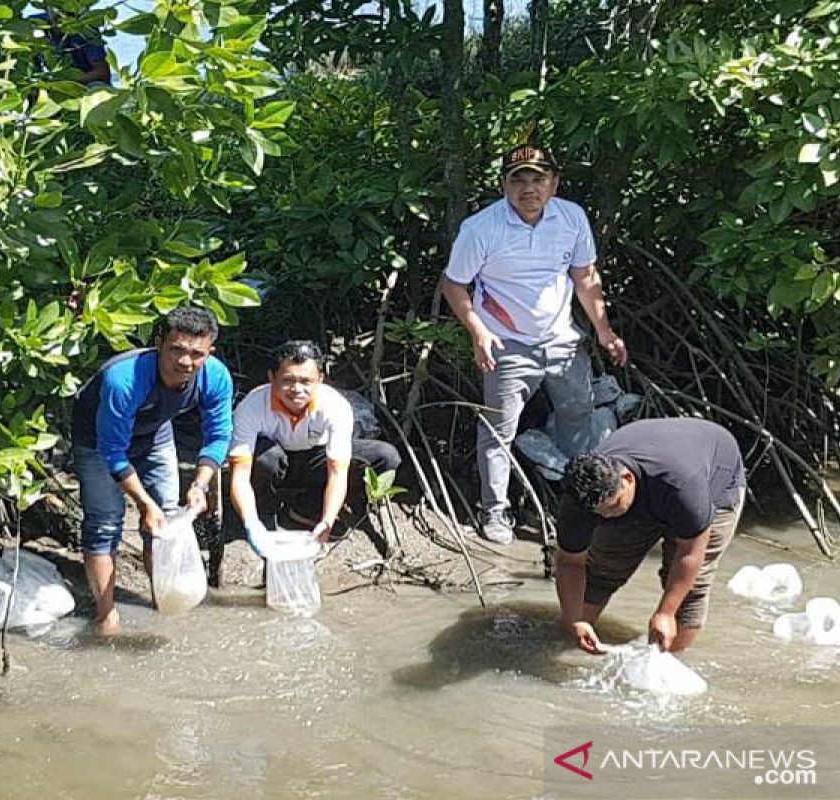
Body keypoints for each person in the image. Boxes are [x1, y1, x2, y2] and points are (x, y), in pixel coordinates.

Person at [442, 143, 628, 546]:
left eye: (539, 178)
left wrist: (603, 331)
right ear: (504, 186)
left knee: (578, 413)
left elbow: (585, 276)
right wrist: (479, 332)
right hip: (505, 343)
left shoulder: (572, 217)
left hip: (562, 340)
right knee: (498, 430)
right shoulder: (480, 228)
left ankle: (582, 500)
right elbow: (453, 284)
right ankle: (495, 511)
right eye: (519, 179)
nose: (530, 188)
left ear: (554, 183)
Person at [71, 307, 233, 635]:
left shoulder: (215, 375)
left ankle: (164, 598)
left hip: (155, 432)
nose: (185, 362)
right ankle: (107, 615)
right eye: (176, 350)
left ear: (209, 352)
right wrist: (144, 503)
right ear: (159, 343)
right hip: (97, 439)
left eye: (196, 354)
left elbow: (218, 436)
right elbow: (113, 452)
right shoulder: (124, 379)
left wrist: (200, 484)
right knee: (105, 523)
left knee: (167, 520)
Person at [554, 418, 745, 654]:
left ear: (627, 479)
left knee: (689, 591)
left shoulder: (682, 487)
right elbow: (570, 562)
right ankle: (574, 642)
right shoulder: (579, 501)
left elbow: (690, 553)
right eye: (599, 513)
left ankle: (672, 659)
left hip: (714, 482)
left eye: (613, 507)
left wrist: (665, 612)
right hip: (653, 476)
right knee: (602, 569)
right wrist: (575, 620)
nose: (608, 516)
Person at [228, 340, 401, 548]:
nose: (296, 389)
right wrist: (250, 523)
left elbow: (337, 472)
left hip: (315, 459)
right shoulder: (252, 405)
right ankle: (263, 509)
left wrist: (327, 520)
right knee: (267, 459)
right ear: (272, 378)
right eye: (288, 380)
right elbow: (239, 472)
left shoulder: (335, 406)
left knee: (386, 456)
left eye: (306, 381)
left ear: (320, 379)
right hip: (274, 461)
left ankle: (312, 506)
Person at [31, 9, 112, 86]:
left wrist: (66, 81)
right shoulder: (34, 24)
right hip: (48, 85)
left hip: (84, 84)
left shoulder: (86, 26)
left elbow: (102, 72)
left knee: (96, 86)